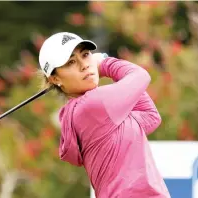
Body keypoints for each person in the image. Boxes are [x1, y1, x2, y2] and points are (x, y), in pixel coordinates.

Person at [38, 32, 171, 198]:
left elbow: (150, 116)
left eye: (85, 55)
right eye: (71, 62)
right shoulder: (92, 105)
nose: (84, 65)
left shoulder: (88, 111)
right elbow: (140, 76)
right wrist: (106, 64)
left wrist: (110, 72)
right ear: (54, 78)